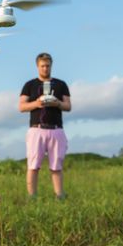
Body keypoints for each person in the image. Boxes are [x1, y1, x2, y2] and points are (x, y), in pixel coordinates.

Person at [19, 52, 71, 200]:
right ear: (37, 66)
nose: (45, 69)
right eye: (42, 66)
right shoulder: (29, 85)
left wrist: (57, 103)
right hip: (37, 129)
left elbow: (68, 106)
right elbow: (21, 106)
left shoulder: (61, 84)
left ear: (51, 66)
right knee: (33, 165)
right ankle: (32, 197)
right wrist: (38, 103)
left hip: (56, 129)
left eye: (47, 66)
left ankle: (60, 196)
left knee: (57, 165)